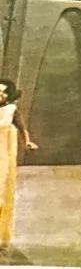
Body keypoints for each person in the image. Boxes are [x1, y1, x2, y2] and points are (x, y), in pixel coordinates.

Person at [0, 79, 37, 251]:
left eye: (2, 92)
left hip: (3, 154)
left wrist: (27, 141)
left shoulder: (11, 110)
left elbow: (22, 128)